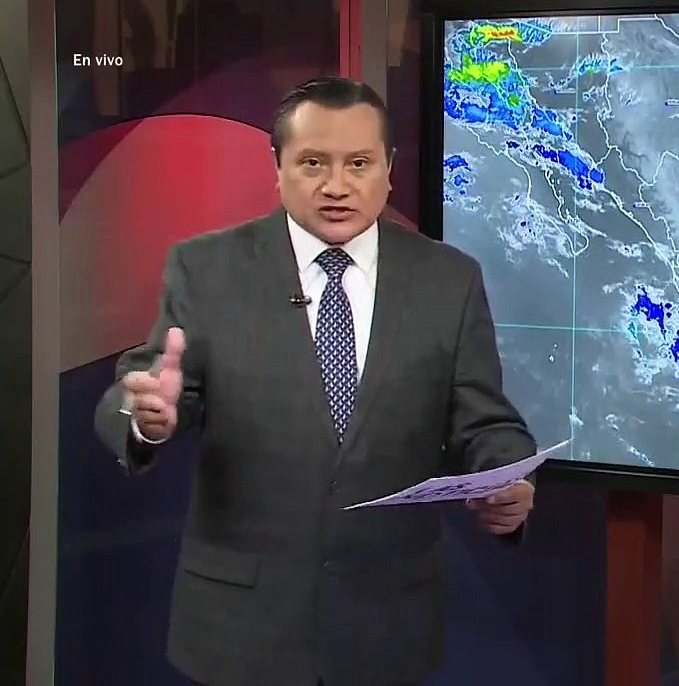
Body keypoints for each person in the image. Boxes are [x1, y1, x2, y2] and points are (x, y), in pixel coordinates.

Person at [93, 76, 539, 686]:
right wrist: (146, 416)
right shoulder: (207, 269)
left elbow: (485, 421)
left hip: (388, 627)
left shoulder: (448, 279)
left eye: (358, 163)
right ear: (277, 169)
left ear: (389, 169)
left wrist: (507, 478)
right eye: (312, 163)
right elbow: (145, 385)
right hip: (241, 629)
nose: (336, 185)